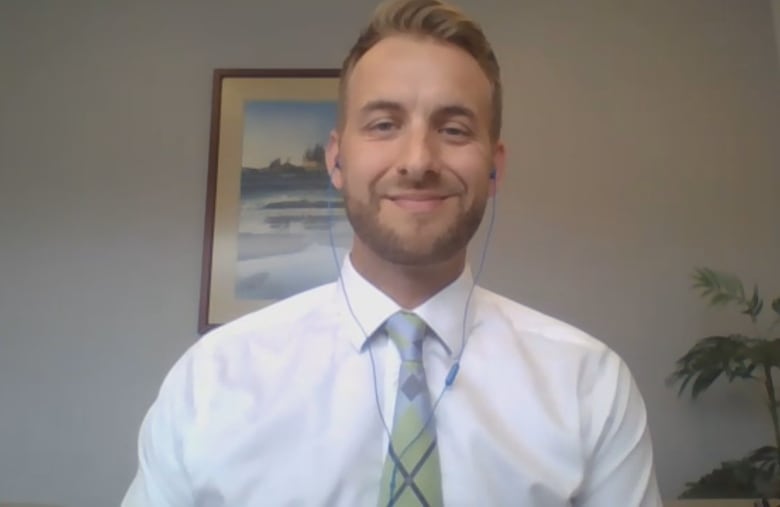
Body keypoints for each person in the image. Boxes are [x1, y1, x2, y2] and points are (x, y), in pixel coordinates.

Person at [122, 0, 662, 505]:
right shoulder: (213, 380)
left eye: (453, 129)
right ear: (335, 160)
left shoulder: (588, 386)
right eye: (384, 125)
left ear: (495, 166)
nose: (418, 160)